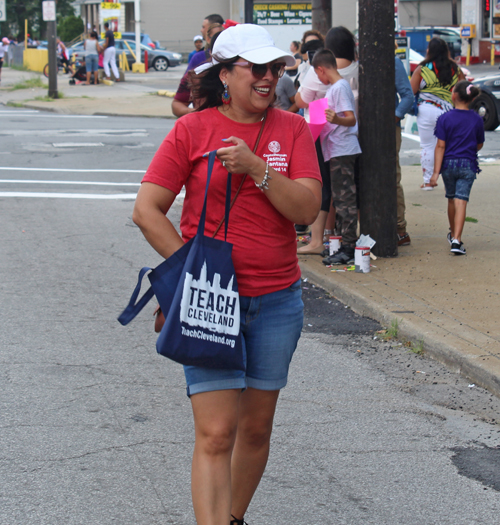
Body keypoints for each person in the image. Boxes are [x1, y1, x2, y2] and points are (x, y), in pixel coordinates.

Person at [132, 24, 321, 524]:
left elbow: (305, 208)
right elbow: (147, 210)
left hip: (277, 300)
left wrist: (257, 168)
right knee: (217, 433)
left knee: (255, 431)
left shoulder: (293, 128)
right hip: (210, 303)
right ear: (225, 74)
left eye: (275, 70)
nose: (268, 79)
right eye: (256, 69)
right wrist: (189, 275)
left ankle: (233, 518)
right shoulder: (191, 131)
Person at [296, 26, 358, 252]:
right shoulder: (354, 71)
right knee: (341, 194)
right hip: (339, 143)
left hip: (336, 141)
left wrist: (335, 118)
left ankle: (340, 243)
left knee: (337, 193)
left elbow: (302, 100)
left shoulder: (336, 85)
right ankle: (338, 239)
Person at [309, 49, 361, 265]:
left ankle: (348, 247)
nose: (318, 79)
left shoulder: (339, 87)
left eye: (317, 74)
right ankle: (341, 243)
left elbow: (350, 119)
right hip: (337, 148)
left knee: (345, 199)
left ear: (321, 69)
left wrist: (335, 119)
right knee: (340, 199)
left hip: (342, 149)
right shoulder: (336, 87)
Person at [429, 81, 484, 256]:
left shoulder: (444, 118)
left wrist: (435, 173)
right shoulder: (476, 119)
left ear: (453, 96)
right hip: (468, 164)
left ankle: (452, 233)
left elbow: (440, 146)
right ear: (472, 98)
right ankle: (456, 240)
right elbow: (479, 143)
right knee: (462, 200)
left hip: (448, 166)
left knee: (451, 199)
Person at [411, 37, 465, 190]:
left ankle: (428, 182)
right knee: (448, 146)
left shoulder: (422, 69)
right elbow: (464, 88)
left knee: (428, 146)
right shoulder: (455, 69)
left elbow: (411, 90)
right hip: (448, 111)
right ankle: (451, 179)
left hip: (426, 110)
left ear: (429, 51)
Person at [171, 14, 225, 118]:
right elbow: (178, 102)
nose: (201, 30)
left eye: (203, 27)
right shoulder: (197, 59)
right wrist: (196, 113)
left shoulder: (238, 65)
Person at [395, 54, 415, 247]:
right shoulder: (359, 60)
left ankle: (400, 229)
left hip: (388, 128)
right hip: (362, 126)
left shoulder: (393, 62)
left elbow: (408, 96)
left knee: (392, 176)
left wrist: (395, 115)